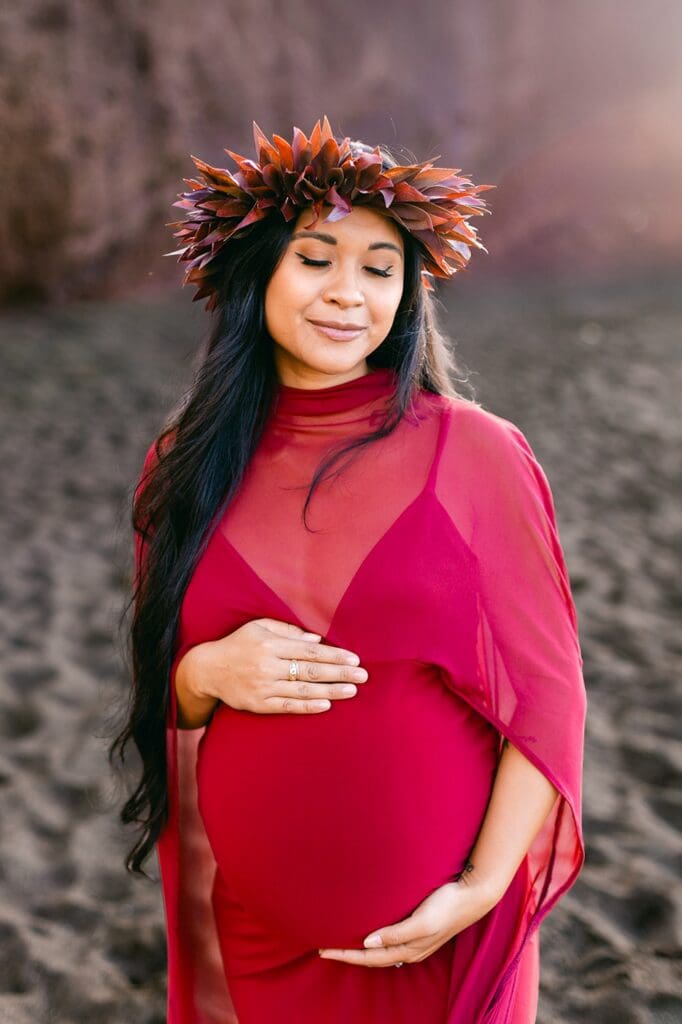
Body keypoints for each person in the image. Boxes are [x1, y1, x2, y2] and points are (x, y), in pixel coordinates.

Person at [110, 116, 587, 1023]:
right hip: (257, 939)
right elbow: (165, 683)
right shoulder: (183, 462)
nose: (349, 294)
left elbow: (550, 697)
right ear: (258, 277)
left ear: (409, 296)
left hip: (437, 939)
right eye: (317, 258)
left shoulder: (476, 453)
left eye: (380, 269)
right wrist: (207, 671)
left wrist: (482, 889)